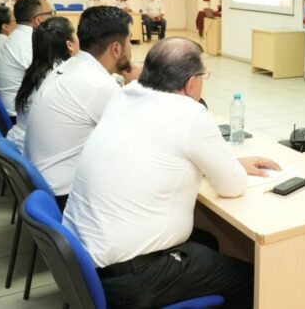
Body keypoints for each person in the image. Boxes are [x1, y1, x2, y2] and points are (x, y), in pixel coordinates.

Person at [63, 37, 279, 308]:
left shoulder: (124, 95)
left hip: (84, 266)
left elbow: (158, 153)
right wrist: (230, 168)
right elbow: (232, 186)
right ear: (191, 83)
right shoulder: (189, 113)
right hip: (133, 278)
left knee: (208, 241)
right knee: (254, 280)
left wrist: (228, 162)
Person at [25, 6, 139, 210]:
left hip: (44, 188)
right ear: (116, 48)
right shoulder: (99, 85)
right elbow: (139, 140)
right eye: (129, 41)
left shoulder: (69, 66)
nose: (131, 48)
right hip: (66, 198)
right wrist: (142, 86)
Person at [7, 17, 79, 153]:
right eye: (75, 33)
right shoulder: (64, 76)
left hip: (19, 146)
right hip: (34, 152)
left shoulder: (37, 70)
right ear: (69, 44)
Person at [0, 0, 52, 116]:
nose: (53, 18)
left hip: (11, 106)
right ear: (39, 20)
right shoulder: (29, 42)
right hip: (18, 114)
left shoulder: (16, 36)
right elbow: (51, 80)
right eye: (50, 14)